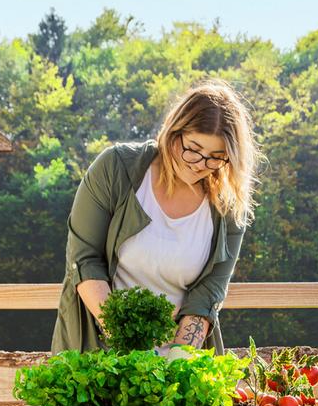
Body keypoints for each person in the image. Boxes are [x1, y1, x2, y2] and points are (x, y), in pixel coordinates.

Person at [51, 79, 260, 355]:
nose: (200, 165)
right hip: (100, 349)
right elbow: (84, 261)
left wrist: (178, 360)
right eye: (193, 149)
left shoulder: (228, 205)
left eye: (215, 157)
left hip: (180, 353)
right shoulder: (115, 168)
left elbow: (210, 290)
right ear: (174, 131)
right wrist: (128, 346)